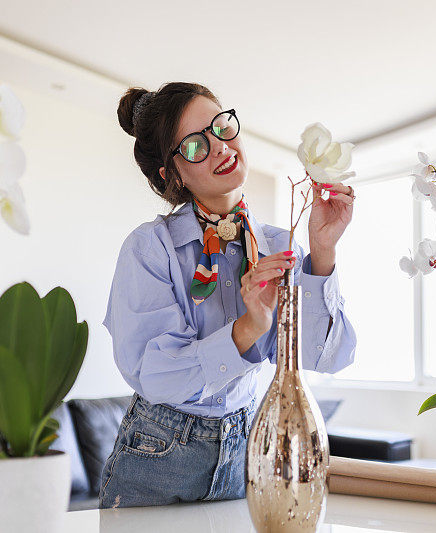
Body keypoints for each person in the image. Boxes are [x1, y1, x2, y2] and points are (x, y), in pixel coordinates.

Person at [99, 82, 357, 508]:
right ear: (172, 174)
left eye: (221, 127)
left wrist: (323, 252)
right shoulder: (150, 248)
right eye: (196, 146)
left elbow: (328, 357)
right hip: (159, 455)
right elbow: (156, 375)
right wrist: (247, 329)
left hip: (249, 449)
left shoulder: (280, 245)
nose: (219, 146)